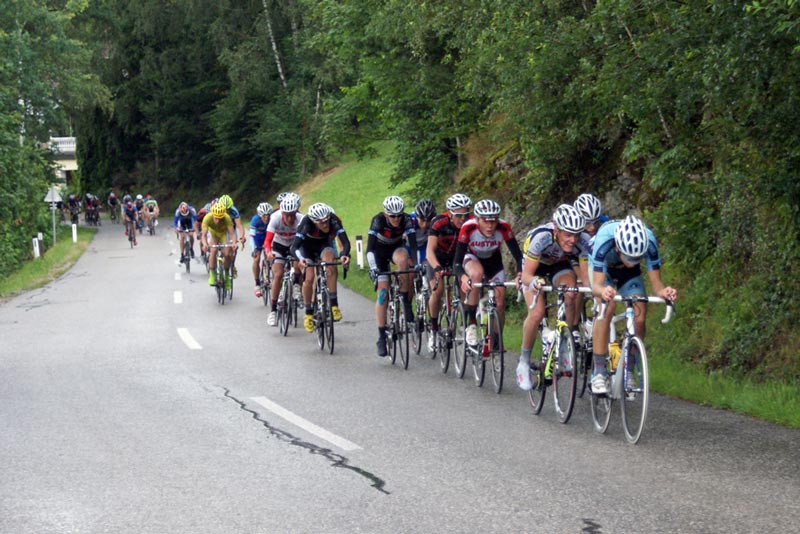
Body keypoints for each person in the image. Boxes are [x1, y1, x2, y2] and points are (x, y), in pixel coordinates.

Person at [589, 215, 677, 394]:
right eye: (629, 257)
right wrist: (603, 292)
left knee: (640, 312)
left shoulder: (649, 241)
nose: (632, 261)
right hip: (603, 269)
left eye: (637, 258)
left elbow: (656, 284)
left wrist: (663, 292)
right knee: (607, 308)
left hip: (629, 276)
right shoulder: (604, 240)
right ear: (617, 247)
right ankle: (598, 371)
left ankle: (628, 369)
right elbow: (597, 285)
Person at [515, 204, 589, 390]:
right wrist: (533, 282)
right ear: (556, 230)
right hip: (535, 267)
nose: (573, 240)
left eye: (577, 235)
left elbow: (586, 279)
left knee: (572, 292)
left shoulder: (584, 241)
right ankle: (523, 362)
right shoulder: (541, 237)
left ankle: (565, 341)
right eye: (568, 235)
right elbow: (526, 275)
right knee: (537, 312)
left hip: (559, 265)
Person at [453, 199, 523, 348]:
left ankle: (496, 341)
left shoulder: (503, 227)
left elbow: (518, 256)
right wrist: (463, 277)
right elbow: (457, 263)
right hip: (472, 257)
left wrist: (519, 274)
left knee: (499, 302)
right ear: (477, 219)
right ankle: (471, 324)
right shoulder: (468, 228)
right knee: (477, 274)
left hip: (493, 261)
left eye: (493, 221)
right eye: (485, 222)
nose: (490, 226)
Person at [367, 196, 418, 357]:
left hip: (396, 249)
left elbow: (413, 244)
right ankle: (381, 337)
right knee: (382, 294)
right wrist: (374, 268)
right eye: (392, 216)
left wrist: (416, 264)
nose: (396, 219)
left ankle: (405, 303)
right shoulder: (378, 221)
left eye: (399, 215)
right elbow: (369, 249)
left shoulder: (407, 219)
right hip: (379, 254)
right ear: (385, 214)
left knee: (404, 262)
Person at [291, 203, 351, 332]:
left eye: (326, 221)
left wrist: (344, 254)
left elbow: (345, 242)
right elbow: (294, 247)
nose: (325, 225)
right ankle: (308, 313)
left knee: (330, 263)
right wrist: (301, 259)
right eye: (321, 223)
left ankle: (334, 305)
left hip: (324, 244)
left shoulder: (334, 220)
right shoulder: (306, 223)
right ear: (314, 221)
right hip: (306, 248)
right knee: (309, 277)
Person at [425, 193, 472, 352]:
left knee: (466, 286)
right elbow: (429, 251)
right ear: (450, 213)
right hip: (437, 259)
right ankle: (433, 330)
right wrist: (437, 267)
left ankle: (463, 325)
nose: (463, 219)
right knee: (437, 291)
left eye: (466, 214)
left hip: (456, 260)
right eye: (459, 215)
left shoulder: (471, 223)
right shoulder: (439, 223)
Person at [264, 193, 303, 326]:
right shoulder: (275, 218)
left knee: (299, 261)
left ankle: (297, 284)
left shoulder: (301, 219)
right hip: (279, 245)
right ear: (282, 213)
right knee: (278, 274)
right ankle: (273, 311)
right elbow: (268, 240)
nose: (290, 218)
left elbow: (305, 242)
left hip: (294, 245)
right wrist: (269, 253)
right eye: (287, 215)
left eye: (292, 214)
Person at [201, 202, 236, 290]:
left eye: (220, 218)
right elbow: (204, 235)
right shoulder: (207, 218)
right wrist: (205, 244)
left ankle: (227, 276)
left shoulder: (227, 218)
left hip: (223, 234)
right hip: (213, 234)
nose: (218, 220)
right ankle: (212, 274)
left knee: (227, 254)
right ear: (212, 215)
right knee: (213, 251)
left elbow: (232, 233)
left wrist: (234, 243)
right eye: (216, 218)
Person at [249, 202, 272, 298]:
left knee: (271, 257)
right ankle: (257, 283)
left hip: (268, 237)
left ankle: (269, 275)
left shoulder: (272, 219)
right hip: (257, 239)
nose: (266, 218)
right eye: (264, 216)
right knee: (256, 259)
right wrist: (253, 249)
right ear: (260, 215)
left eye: (268, 215)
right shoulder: (255, 220)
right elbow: (251, 236)